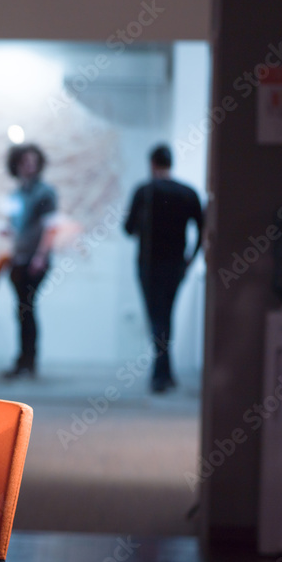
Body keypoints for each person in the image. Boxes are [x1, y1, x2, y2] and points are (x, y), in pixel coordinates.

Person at [124, 144, 203, 393]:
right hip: (175, 264)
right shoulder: (187, 193)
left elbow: (128, 228)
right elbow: (203, 228)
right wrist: (191, 257)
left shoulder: (145, 191)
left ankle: (161, 373)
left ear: (152, 163)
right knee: (166, 315)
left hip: (149, 264)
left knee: (157, 317)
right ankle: (164, 372)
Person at [2, 144, 58, 379]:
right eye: (25, 161)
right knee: (22, 309)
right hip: (18, 258)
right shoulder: (16, 194)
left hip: (34, 260)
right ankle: (23, 359)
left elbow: (51, 228)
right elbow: (15, 226)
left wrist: (40, 257)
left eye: (33, 161)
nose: (29, 166)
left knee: (27, 307)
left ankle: (28, 360)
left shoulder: (45, 192)